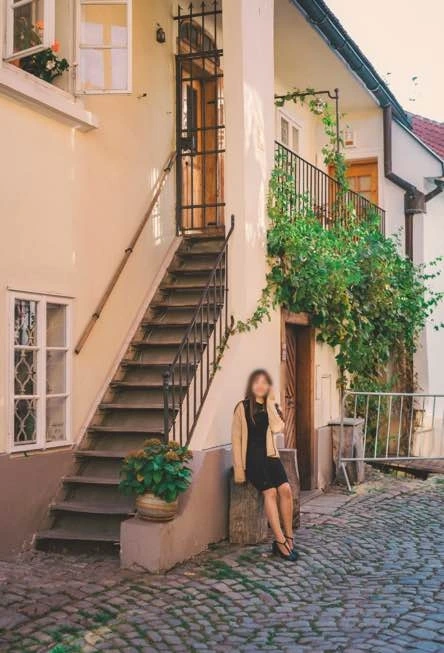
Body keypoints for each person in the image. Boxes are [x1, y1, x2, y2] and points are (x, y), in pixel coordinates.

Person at [231, 369, 297, 561]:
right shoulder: (242, 407)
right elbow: (236, 440)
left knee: (286, 490)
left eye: (264, 382)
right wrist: (239, 471)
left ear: (269, 386)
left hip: (270, 457)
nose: (260, 386)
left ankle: (289, 537)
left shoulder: (271, 406)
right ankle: (279, 541)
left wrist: (270, 402)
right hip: (252, 459)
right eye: (257, 382)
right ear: (251, 385)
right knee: (271, 492)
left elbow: (277, 427)